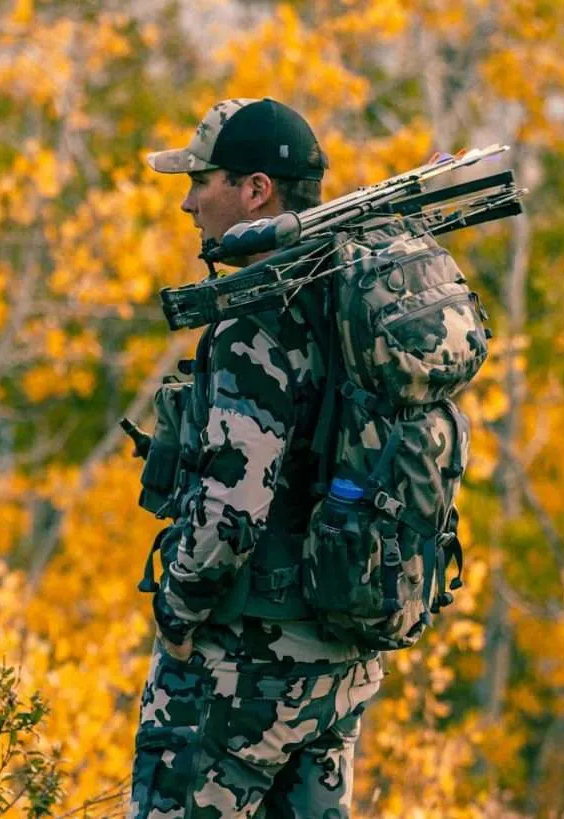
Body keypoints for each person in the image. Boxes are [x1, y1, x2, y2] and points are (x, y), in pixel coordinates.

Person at [129, 98, 383, 819]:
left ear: (255, 191)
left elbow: (232, 511)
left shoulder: (257, 322)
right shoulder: (348, 303)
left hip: (243, 668)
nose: (188, 202)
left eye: (202, 180)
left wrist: (177, 616)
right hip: (337, 658)